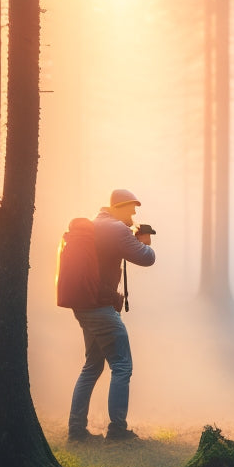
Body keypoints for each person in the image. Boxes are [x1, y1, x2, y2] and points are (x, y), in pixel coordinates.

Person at [67, 189, 155, 443]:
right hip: (100, 308)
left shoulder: (96, 225)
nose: (134, 213)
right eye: (130, 208)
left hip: (84, 305)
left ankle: (76, 431)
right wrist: (144, 240)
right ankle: (117, 432)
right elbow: (147, 258)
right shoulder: (116, 229)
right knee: (122, 365)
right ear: (117, 207)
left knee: (92, 366)